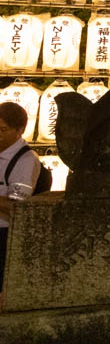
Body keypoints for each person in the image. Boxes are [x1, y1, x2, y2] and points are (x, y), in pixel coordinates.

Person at [0, 102, 41, 282]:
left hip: (4, 234)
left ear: (20, 130)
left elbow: (16, 207)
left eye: (3, 129)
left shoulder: (25, 161)